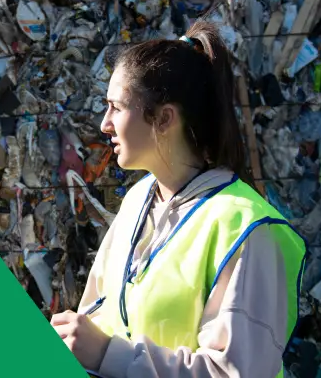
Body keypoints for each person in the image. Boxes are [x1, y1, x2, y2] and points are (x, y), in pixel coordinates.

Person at [49, 20, 307, 378]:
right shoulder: (139, 199)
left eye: (116, 108)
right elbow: (99, 311)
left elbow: (236, 372)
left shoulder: (247, 230)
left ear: (165, 119)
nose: (104, 123)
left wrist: (108, 354)